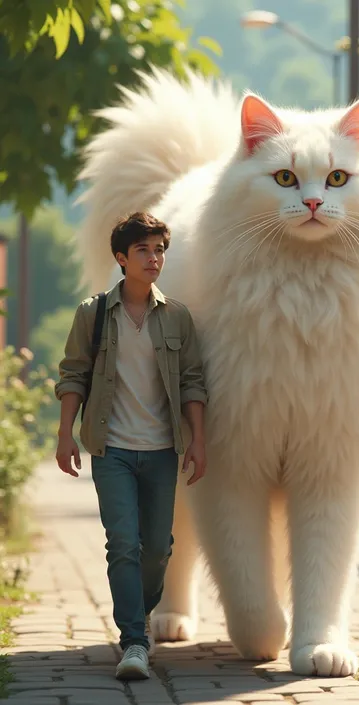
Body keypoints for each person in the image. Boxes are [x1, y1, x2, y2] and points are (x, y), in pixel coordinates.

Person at [55, 212, 207, 681]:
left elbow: (192, 382)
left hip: (162, 449)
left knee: (158, 548)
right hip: (112, 449)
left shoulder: (177, 316)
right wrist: (64, 435)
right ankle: (135, 640)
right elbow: (73, 374)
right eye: (143, 250)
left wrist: (198, 440)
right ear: (122, 258)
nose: (154, 258)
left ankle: (136, 615)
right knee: (123, 544)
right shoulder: (93, 313)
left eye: (160, 249)